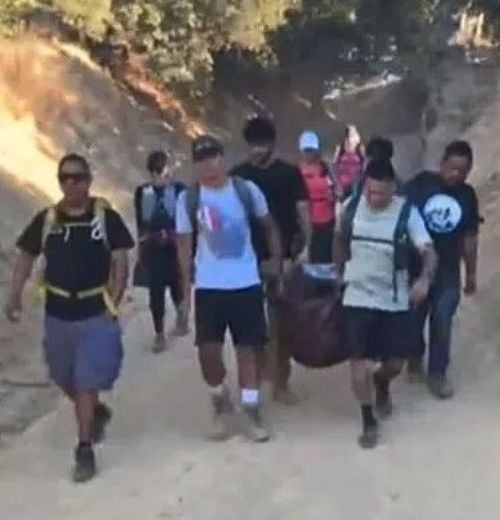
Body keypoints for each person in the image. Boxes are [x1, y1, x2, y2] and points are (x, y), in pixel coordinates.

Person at [5, 154, 134, 482]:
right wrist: (15, 294)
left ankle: (85, 448)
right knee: (63, 376)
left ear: (89, 180)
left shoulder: (105, 218)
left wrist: (114, 303)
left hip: (94, 313)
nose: (71, 184)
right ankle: (94, 412)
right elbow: (26, 257)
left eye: (77, 177)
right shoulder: (48, 219)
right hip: (58, 315)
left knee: (88, 381)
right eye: (65, 178)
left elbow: (121, 261)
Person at [176, 135, 282, 442]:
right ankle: (220, 401)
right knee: (208, 352)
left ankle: (251, 409)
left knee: (247, 350)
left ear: (223, 159)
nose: (209, 165)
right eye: (202, 160)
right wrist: (185, 292)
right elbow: (183, 246)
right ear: (196, 165)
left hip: (245, 282)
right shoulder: (189, 199)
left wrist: (275, 259)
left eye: (214, 158)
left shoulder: (245, 191)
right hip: (209, 286)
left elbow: (269, 225)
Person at [334, 159, 436, 449]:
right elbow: (340, 238)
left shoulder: (407, 213)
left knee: (395, 362)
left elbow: (428, 251)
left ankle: (382, 382)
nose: (373, 198)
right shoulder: (352, 206)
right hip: (357, 295)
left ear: (393, 188)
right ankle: (368, 419)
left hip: (393, 298)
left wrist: (425, 279)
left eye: (380, 193)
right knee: (358, 361)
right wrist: (338, 271)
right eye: (370, 191)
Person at [230, 115, 311, 404]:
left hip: (284, 258)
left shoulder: (288, 173)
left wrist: (305, 247)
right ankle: (262, 372)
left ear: (272, 144)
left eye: (262, 144)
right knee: (252, 324)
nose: (257, 150)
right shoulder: (237, 176)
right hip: (245, 260)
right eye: (253, 144)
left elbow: (303, 212)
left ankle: (282, 382)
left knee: (281, 323)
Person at [405, 140, 480, 398]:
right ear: (442, 164)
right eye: (452, 168)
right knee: (413, 318)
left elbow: (470, 238)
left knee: (443, 321)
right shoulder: (422, 183)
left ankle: (437, 373)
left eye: (463, 170)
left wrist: (470, 274)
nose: (456, 175)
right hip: (416, 266)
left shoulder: (468, 196)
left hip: (447, 270)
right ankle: (414, 357)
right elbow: (400, 211)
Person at [134, 150, 187, 353]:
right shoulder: (142, 192)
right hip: (154, 247)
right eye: (158, 171)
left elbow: (186, 219)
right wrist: (143, 245)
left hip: (175, 245)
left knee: (176, 283)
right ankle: (159, 333)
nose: (163, 175)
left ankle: (181, 315)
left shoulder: (179, 189)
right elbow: (141, 223)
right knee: (156, 290)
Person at [298, 130, 336, 264]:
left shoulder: (325, 168)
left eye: (312, 150)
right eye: (306, 150)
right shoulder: (297, 171)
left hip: (327, 220)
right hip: (306, 220)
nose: (309, 154)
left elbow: (338, 190)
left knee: (325, 258)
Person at [333, 124, 365, 200]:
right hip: (342, 182)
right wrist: (337, 183)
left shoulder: (360, 147)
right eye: (349, 134)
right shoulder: (340, 146)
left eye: (353, 134)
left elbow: (364, 163)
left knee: (353, 201)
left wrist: (361, 178)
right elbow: (334, 164)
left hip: (356, 182)